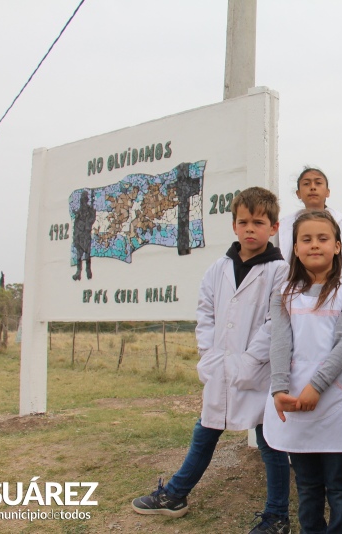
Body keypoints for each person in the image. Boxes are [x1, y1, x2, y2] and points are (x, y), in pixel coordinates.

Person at [131, 187, 292, 534]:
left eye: (259, 222)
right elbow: (205, 311)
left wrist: (249, 359)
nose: (251, 228)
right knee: (205, 432)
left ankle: (278, 516)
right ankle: (174, 495)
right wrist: (209, 352)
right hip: (220, 367)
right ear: (234, 226)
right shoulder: (217, 269)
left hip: (260, 371)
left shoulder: (279, 271)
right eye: (244, 221)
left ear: (274, 227)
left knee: (271, 443)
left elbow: (275, 321)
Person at [263, 210, 342, 534]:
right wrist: (280, 389)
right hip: (294, 403)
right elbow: (280, 343)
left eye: (323, 238)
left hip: (334, 402)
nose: (314, 245)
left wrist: (316, 388)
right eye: (306, 239)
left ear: (337, 246)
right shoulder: (283, 294)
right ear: (295, 248)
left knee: (338, 482)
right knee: (306, 485)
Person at [278, 167, 342, 280]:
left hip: (336, 287)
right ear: (298, 193)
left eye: (318, 183)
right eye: (306, 184)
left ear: (328, 192)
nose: (313, 187)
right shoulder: (285, 225)